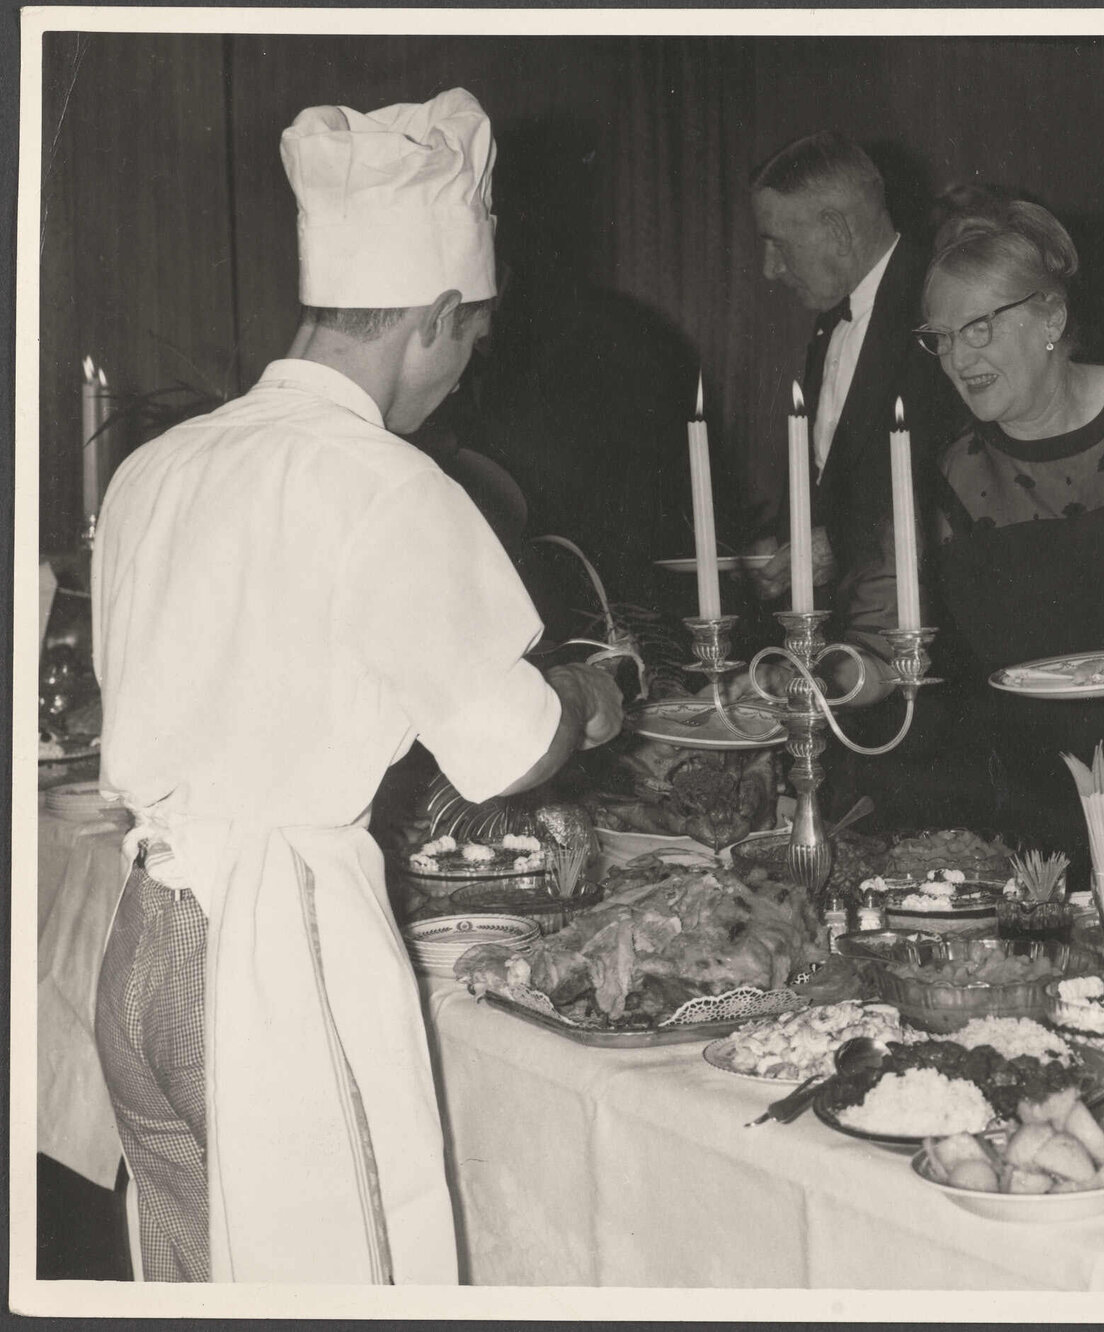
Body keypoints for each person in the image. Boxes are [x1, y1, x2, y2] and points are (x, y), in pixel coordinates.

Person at [90, 89, 625, 1283]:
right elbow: (513, 752)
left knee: (189, 1283)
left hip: (142, 945)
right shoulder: (384, 483)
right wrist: (590, 698)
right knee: (354, 1287)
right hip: (277, 956)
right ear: (434, 317)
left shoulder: (155, 468)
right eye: (468, 349)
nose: (455, 386)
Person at [911, 197, 1104, 890]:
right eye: (941, 338)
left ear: (1051, 319)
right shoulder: (956, 471)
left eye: (977, 328)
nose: (956, 358)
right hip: (1029, 817)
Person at [746, 131, 964, 650]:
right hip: (844, 635)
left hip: (926, 641)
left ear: (837, 231)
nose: (769, 269)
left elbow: (964, 482)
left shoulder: (942, 303)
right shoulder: (832, 322)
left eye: (778, 243)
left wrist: (840, 544)